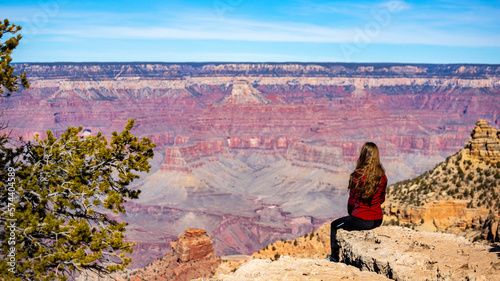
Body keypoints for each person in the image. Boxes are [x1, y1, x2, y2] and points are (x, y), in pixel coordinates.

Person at [328, 142, 387, 262]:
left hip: (361, 220)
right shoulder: (382, 176)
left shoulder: (358, 176)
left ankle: (334, 257)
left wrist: (352, 215)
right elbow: (382, 199)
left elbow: (352, 201)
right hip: (377, 220)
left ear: (363, 155)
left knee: (334, 225)